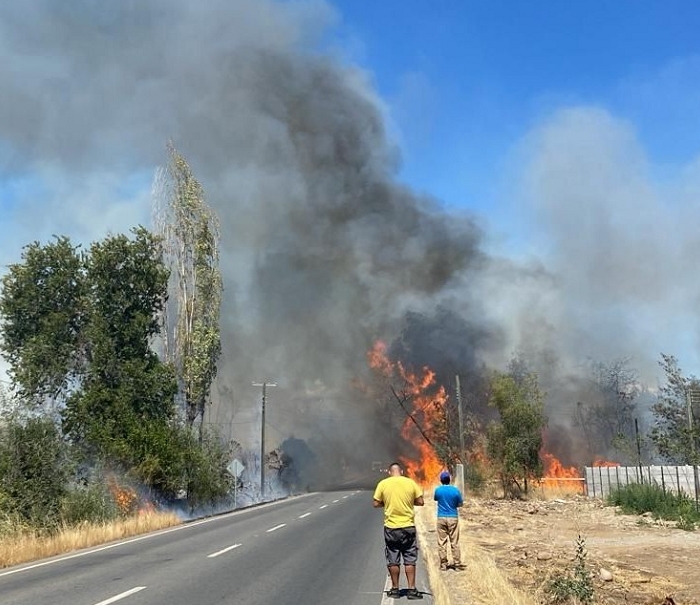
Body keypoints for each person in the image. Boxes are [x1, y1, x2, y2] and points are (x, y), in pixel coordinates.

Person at [373, 462, 425, 600]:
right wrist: (408, 502)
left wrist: (387, 503)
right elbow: (420, 501)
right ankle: (412, 590)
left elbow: (376, 503)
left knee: (393, 559)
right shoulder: (410, 483)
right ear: (401, 472)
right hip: (408, 527)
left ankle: (395, 589)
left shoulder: (383, 484)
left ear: (390, 472)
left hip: (391, 528)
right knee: (409, 559)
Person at [433, 470, 464, 571]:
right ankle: (457, 565)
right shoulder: (455, 490)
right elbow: (460, 504)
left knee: (442, 542)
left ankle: (443, 565)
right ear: (449, 480)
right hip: (453, 517)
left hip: (441, 517)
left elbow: (436, 499)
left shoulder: (438, 490)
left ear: (441, 480)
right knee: (454, 541)